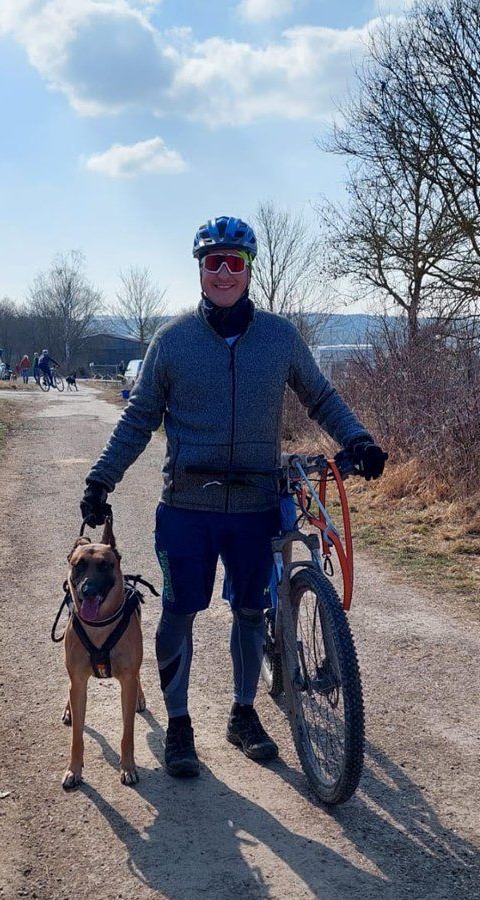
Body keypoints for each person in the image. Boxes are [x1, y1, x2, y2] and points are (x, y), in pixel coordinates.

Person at [79, 215, 387, 779]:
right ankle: (178, 724)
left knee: (251, 612)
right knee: (180, 611)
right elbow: (140, 418)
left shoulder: (280, 338)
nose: (224, 272)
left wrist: (358, 440)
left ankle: (243, 715)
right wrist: (101, 480)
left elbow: (320, 396)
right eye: (213, 262)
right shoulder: (171, 342)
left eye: (234, 263)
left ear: (249, 270)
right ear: (200, 270)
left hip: (254, 505)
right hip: (187, 509)